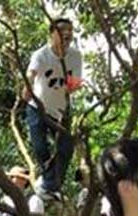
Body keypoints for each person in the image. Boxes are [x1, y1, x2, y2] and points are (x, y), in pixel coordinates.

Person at [23, 17, 83, 201]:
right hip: (38, 107)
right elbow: (31, 74)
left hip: (61, 110)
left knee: (66, 148)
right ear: (52, 34)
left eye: (70, 30)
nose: (67, 34)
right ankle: (49, 183)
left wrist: (74, 85)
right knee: (40, 147)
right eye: (62, 30)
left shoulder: (75, 56)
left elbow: (75, 83)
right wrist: (26, 89)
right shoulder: (41, 55)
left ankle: (49, 185)